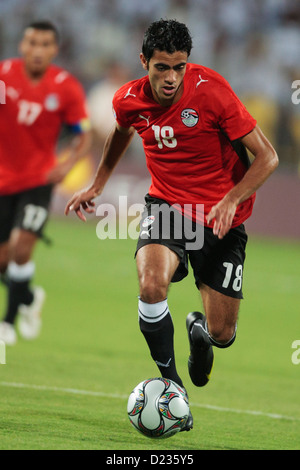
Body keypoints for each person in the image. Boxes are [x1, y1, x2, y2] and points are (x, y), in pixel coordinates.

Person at [65, 19, 278, 431]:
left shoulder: (213, 92)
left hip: (222, 219)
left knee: (223, 332)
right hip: (167, 207)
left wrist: (231, 198)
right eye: (162, 67)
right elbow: (121, 132)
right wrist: (97, 183)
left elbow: (268, 156)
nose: (170, 77)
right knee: (150, 284)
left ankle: (201, 331)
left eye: (179, 67)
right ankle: (173, 388)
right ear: (144, 61)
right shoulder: (127, 99)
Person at [0, 21, 92, 345]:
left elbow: (84, 134)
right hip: (2, 181)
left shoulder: (65, 87)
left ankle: (7, 323)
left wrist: (67, 163)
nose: (38, 50)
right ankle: (28, 298)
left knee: (21, 248)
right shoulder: (3, 75)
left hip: (38, 180)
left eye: (45, 44)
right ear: (22, 45)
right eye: (32, 43)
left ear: (54, 50)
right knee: (3, 260)